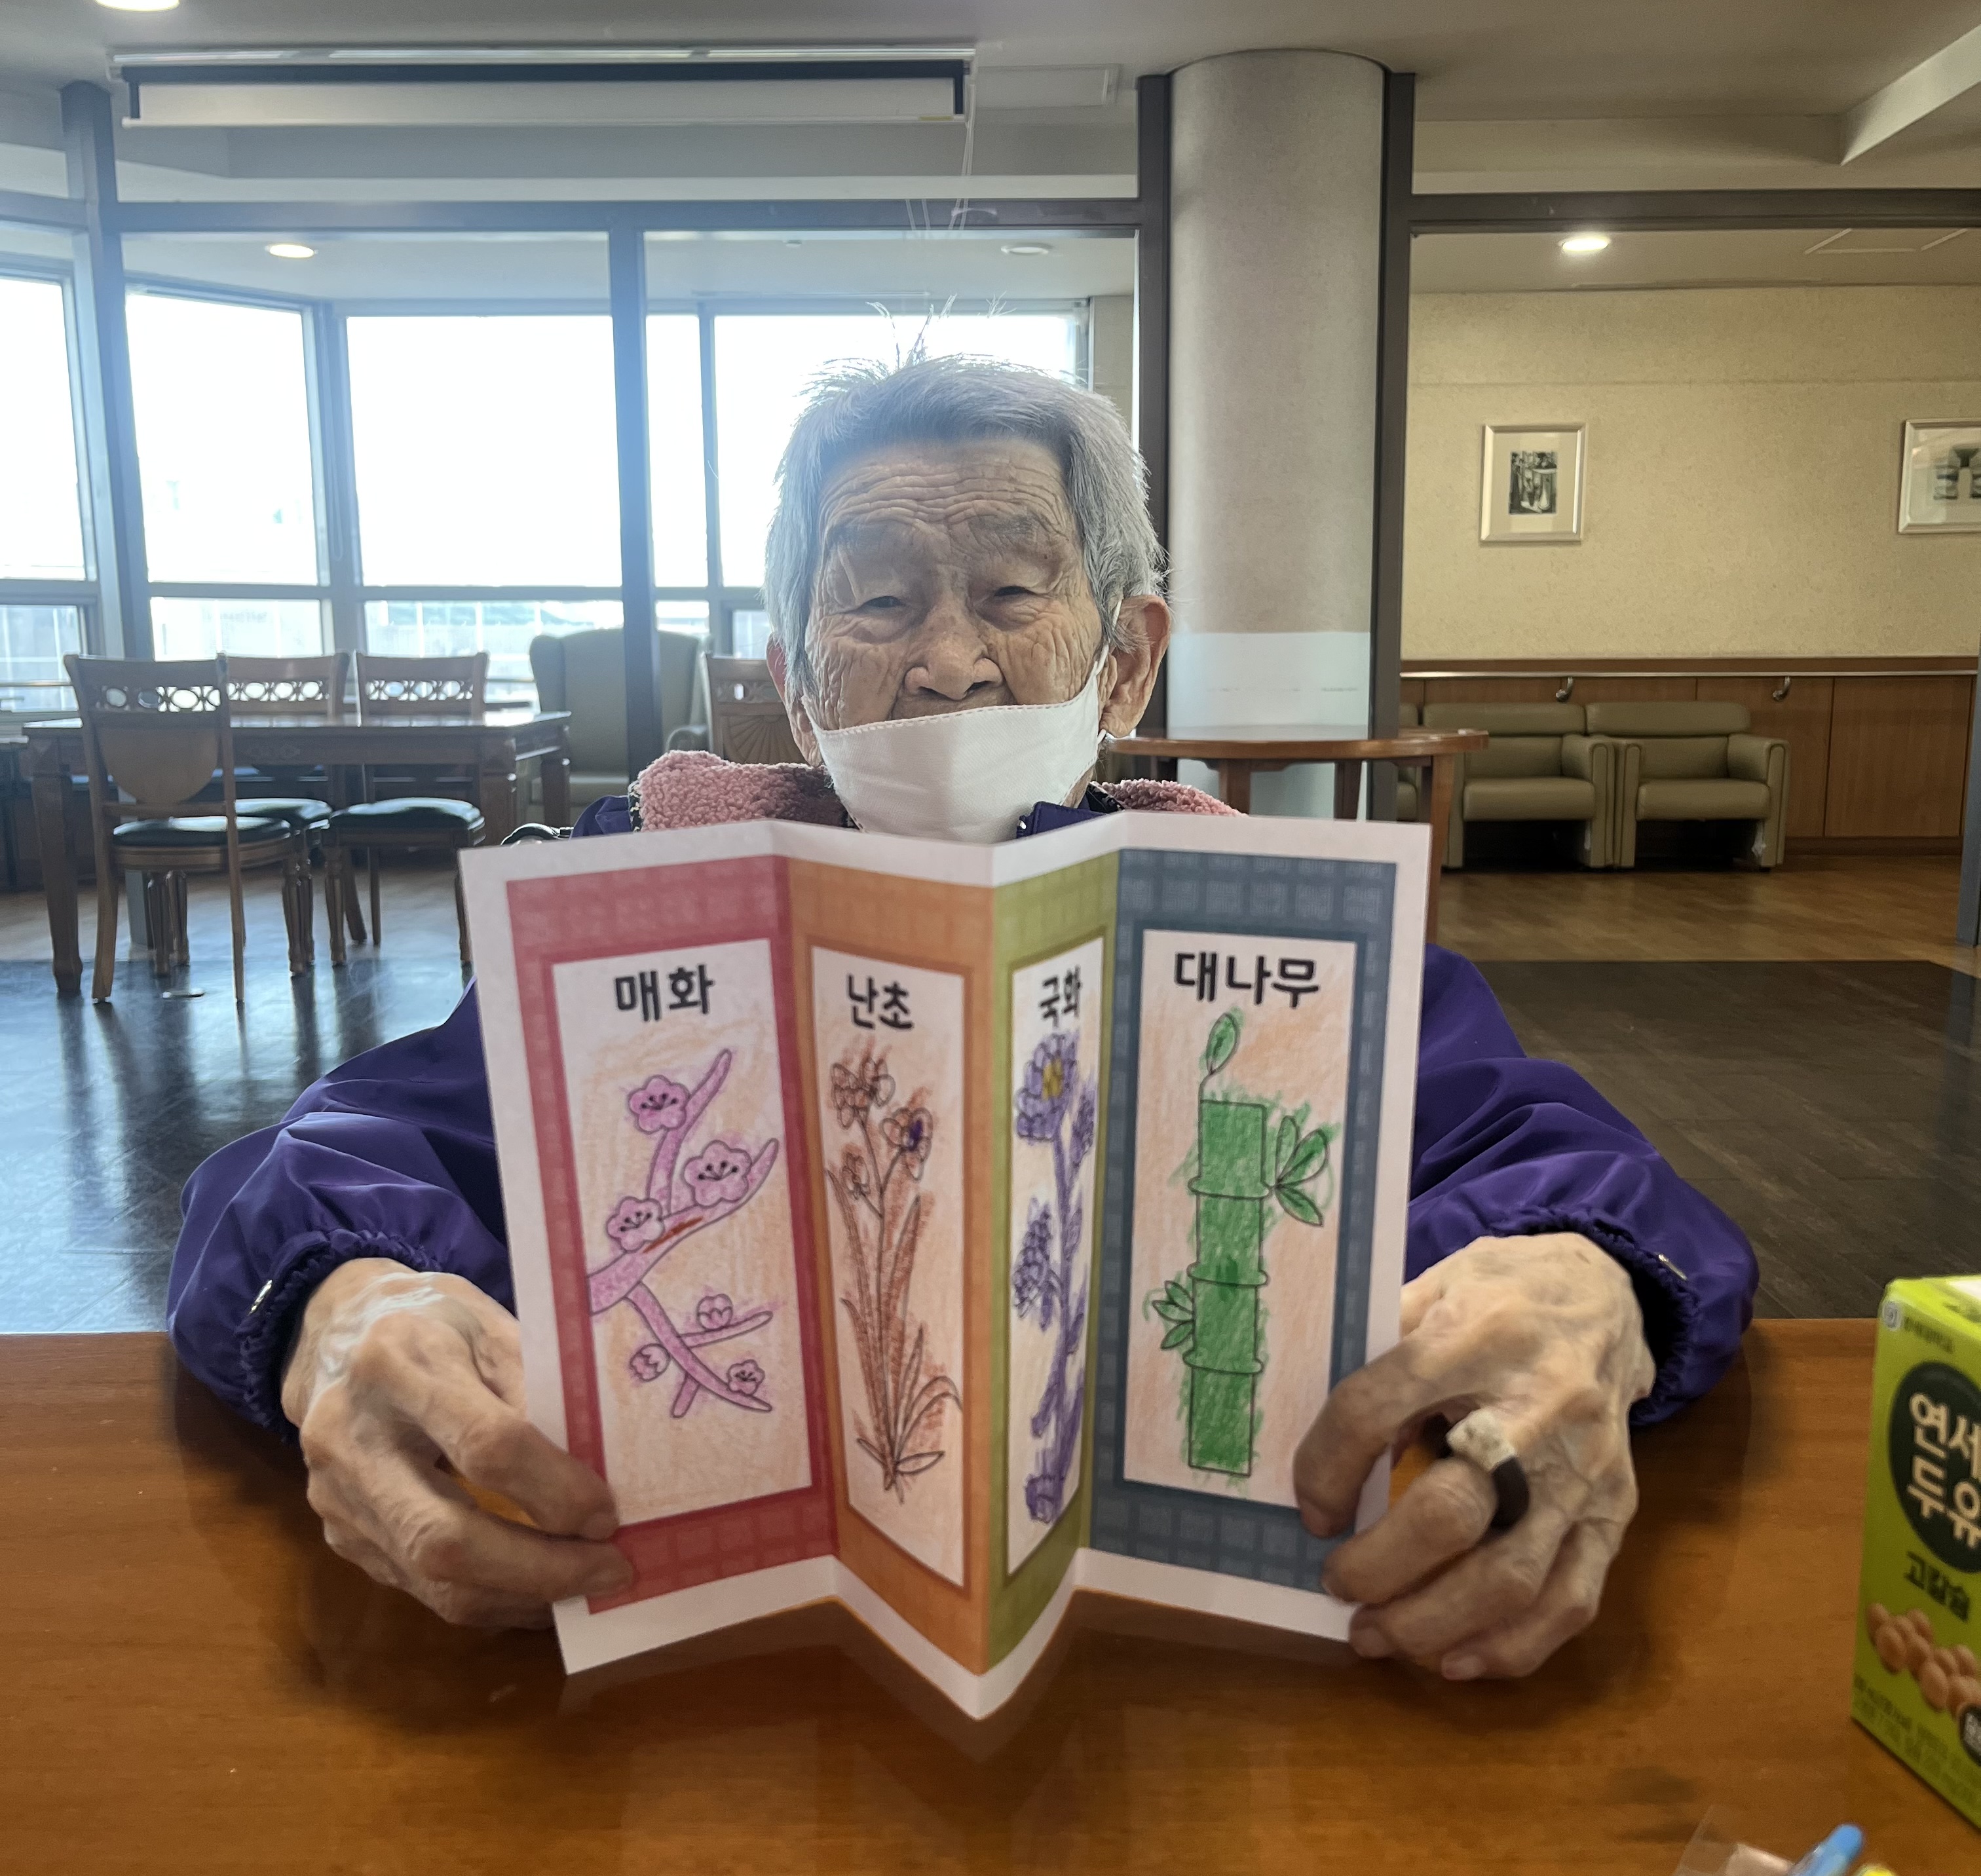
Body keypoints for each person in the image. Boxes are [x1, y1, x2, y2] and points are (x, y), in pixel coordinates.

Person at [169, 356, 1756, 1681]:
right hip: (710, 1649)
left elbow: (1539, 1147)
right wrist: (343, 1304)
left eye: (1010, 592)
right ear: (797, 684)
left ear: (1123, 663)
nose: (946, 664)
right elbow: (334, 1153)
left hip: (1187, 1657)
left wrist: (1586, 1278)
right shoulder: (644, 895)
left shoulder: (1264, 918)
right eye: (875, 602)